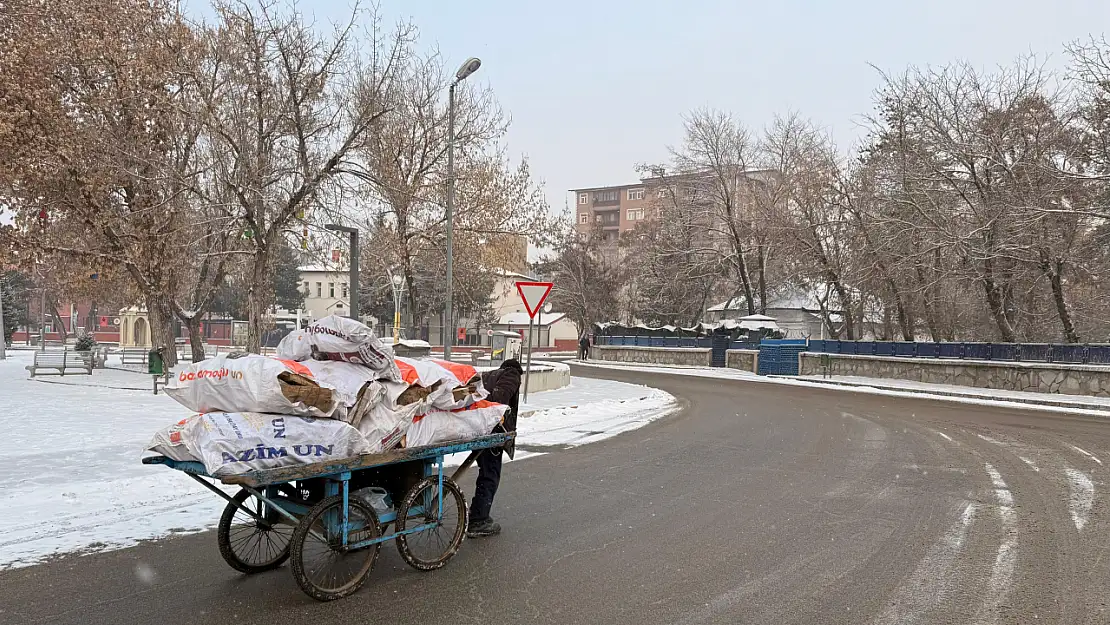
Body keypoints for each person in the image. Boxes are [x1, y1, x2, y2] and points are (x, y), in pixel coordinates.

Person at [468, 358, 523, 537]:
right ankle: (479, 520)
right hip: (492, 433)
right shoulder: (512, 375)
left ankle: (477, 514)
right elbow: (499, 398)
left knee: (486, 473)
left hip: (477, 428)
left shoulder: (491, 375)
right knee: (490, 475)